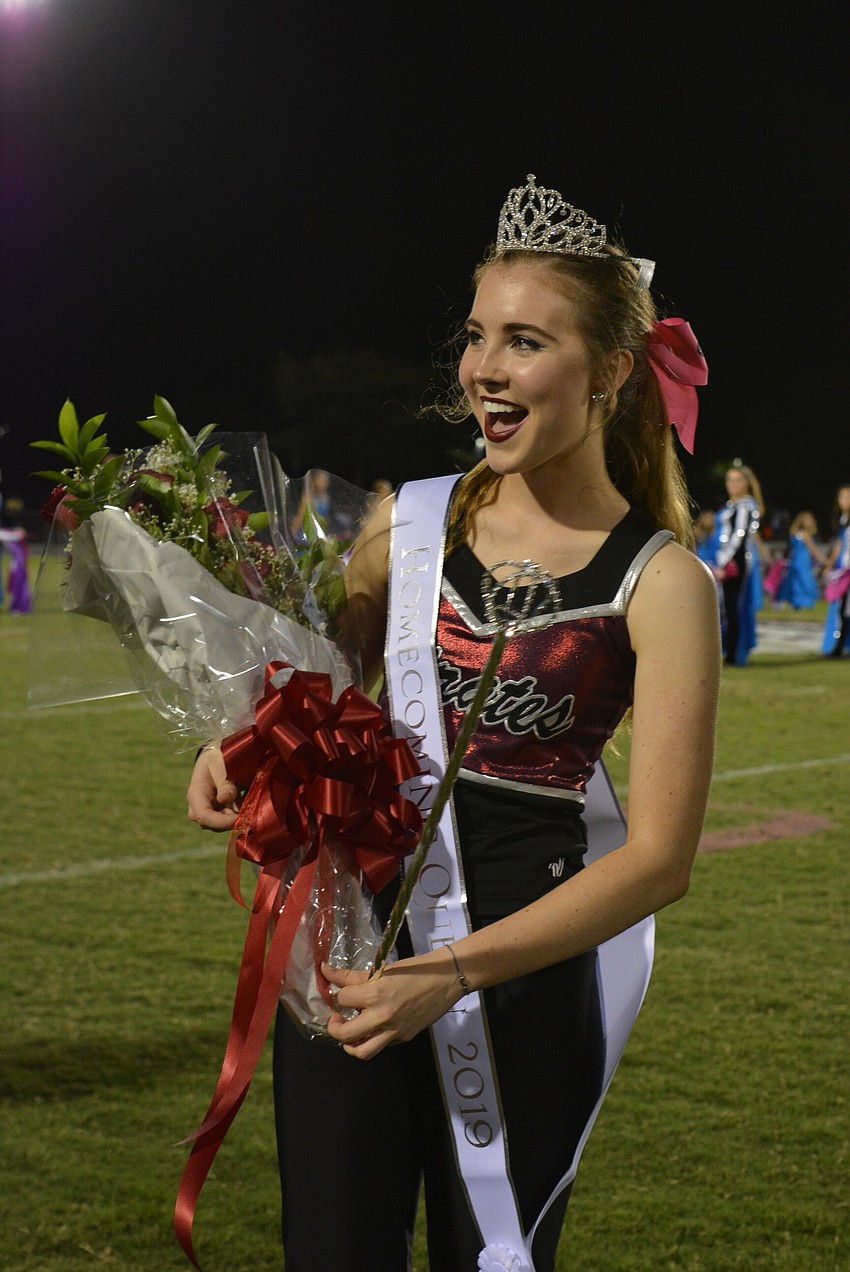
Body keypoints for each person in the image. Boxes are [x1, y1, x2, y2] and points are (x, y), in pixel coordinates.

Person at [186, 175, 720, 1271]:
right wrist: (237, 749)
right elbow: (321, 704)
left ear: (612, 371)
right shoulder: (405, 522)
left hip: (520, 981)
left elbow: (660, 860)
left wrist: (455, 971)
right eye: (478, 336)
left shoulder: (664, 583)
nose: (485, 368)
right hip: (349, 950)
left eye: (525, 341)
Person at [707, 462, 765, 666]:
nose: (732, 484)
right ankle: (727, 651)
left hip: (735, 562)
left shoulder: (745, 506)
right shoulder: (733, 505)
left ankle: (733, 654)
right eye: (730, 480)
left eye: (738, 480)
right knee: (725, 606)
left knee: (733, 607)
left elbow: (739, 537)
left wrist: (723, 564)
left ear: (747, 483)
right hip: (725, 560)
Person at [774, 511, 828, 611]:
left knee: (794, 582)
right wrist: (825, 561)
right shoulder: (805, 534)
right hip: (803, 561)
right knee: (805, 582)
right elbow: (814, 550)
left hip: (795, 560)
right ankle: (802, 602)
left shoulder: (795, 534)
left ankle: (794, 603)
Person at [821, 483, 850, 656]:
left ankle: (839, 648)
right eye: (842, 497)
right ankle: (839, 646)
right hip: (845, 570)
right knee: (842, 608)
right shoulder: (843, 519)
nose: (844, 500)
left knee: (845, 609)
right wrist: (831, 564)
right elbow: (840, 544)